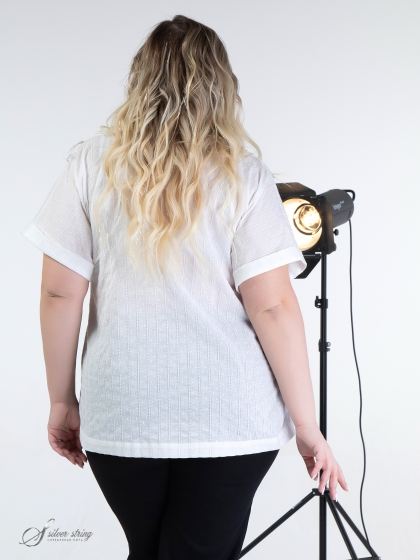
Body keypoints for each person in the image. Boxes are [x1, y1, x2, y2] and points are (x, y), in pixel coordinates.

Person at [22, 14, 349, 560]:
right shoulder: (243, 175)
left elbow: (59, 294)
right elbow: (272, 307)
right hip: (230, 422)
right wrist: (307, 428)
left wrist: (61, 400)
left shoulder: (90, 165)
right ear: (221, 87)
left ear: (140, 79)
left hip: (122, 417)